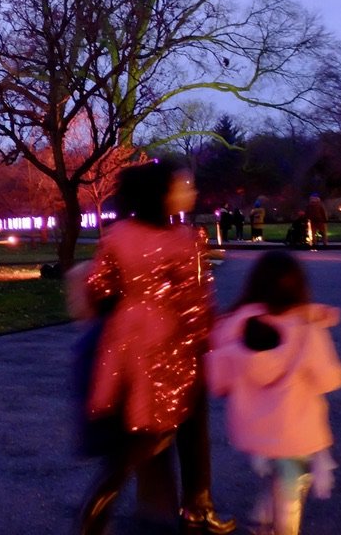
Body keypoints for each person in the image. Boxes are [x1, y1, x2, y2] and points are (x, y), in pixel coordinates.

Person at [77, 161, 235, 534]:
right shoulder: (186, 239)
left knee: (139, 421)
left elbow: (99, 289)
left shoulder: (116, 235)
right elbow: (196, 302)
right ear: (162, 194)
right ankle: (196, 506)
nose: (189, 191)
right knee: (188, 424)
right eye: (182, 186)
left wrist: (127, 311)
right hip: (175, 342)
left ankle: (106, 499)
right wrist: (207, 340)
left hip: (127, 345)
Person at [206, 251, 341, 535]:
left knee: (278, 473)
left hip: (255, 431)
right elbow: (328, 379)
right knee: (291, 488)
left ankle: (265, 515)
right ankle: (279, 524)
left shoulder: (235, 326)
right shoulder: (308, 333)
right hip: (296, 431)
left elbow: (218, 379)